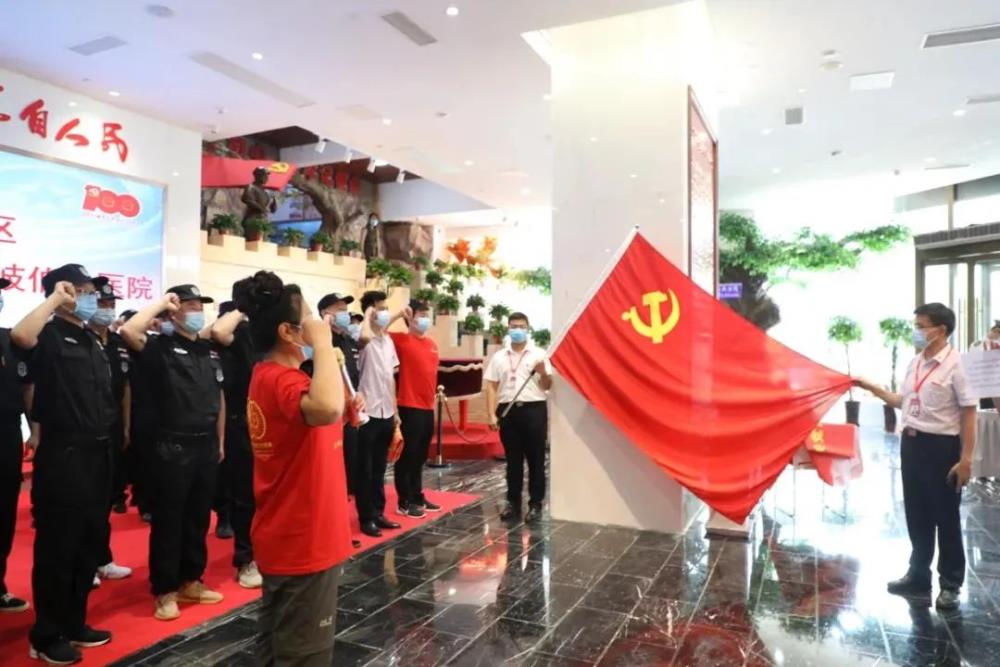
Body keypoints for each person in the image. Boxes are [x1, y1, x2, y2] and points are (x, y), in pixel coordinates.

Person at [242, 271, 352, 667]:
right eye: (309, 318)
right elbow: (325, 408)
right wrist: (323, 343)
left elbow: (323, 415)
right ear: (288, 332)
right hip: (304, 538)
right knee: (304, 654)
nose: (319, 323)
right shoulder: (282, 380)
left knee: (278, 647)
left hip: (290, 534)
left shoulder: (274, 377)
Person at [11, 264, 114, 663]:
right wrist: (55, 299)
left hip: (97, 454)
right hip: (64, 456)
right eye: (82, 290)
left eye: (89, 290)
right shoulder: (49, 334)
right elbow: (21, 336)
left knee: (87, 543)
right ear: (63, 292)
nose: (90, 297)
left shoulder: (91, 339)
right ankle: (46, 634)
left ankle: (74, 622)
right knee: (58, 547)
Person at [857, 302, 976, 611]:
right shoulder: (916, 363)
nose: (916, 331)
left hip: (942, 448)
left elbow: (969, 413)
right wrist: (872, 388)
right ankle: (919, 574)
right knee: (917, 513)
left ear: (941, 330)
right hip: (912, 445)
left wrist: (966, 459)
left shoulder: (957, 365)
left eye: (921, 326)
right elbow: (905, 401)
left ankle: (950, 583)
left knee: (946, 517)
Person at [121, 285, 226, 621]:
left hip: (205, 444)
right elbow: (128, 331)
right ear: (174, 312)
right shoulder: (158, 347)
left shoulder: (207, 350)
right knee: (169, 520)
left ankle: (191, 580)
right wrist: (161, 304)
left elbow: (218, 397)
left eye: (199, 306)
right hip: (171, 446)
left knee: (198, 518)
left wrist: (220, 440)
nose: (197, 311)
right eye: (190, 306)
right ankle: (165, 589)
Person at [210, 285, 263, 590]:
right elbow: (218, 331)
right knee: (245, 496)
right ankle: (246, 559)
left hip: (271, 422)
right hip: (241, 424)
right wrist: (243, 307)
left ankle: (267, 551)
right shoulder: (238, 332)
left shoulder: (268, 333)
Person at [485, 312, 553, 524]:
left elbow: (547, 386)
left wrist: (543, 373)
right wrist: (491, 414)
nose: (517, 330)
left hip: (534, 410)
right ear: (508, 328)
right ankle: (512, 503)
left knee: (536, 460)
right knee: (512, 461)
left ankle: (535, 504)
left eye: (521, 326)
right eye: (514, 326)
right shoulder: (499, 357)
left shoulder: (539, 355)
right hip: (508, 411)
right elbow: (491, 386)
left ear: (528, 328)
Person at [89, 278, 134, 583]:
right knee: (86, 498)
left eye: (110, 304)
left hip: (114, 425)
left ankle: (102, 558)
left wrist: (127, 425)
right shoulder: (82, 339)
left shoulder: (117, 343)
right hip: (88, 426)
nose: (107, 308)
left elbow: (126, 387)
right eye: (101, 303)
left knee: (106, 495)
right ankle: (85, 562)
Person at [386, 300, 441, 517]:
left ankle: (417, 495)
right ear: (411, 317)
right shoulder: (401, 340)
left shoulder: (432, 343)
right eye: (421, 315)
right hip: (408, 405)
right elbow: (377, 332)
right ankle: (404, 500)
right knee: (407, 455)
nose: (425, 319)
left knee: (420, 456)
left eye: (428, 314)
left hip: (427, 407)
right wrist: (399, 314)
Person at [355, 291, 402, 537]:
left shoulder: (387, 340)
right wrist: (366, 316)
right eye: (379, 308)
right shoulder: (361, 335)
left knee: (380, 467)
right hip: (367, 411)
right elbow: (364, 336)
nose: (384, 312)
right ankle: (366, 517)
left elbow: (390, 378)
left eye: (385, 308)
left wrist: (395, 410)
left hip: (385, 410)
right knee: (365, 468)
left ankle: (378, 511)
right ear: (370, 310)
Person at [0, 277, 30, 614]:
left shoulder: (9, 339)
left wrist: (34, 429)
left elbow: (26, 385)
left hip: (7, 433)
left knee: (4, 513)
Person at [317, 293, 363, 502]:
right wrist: (324, 327)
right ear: (325, 313)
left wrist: (357, 393)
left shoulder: (346, 340)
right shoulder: (320, 341)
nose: (345, 314)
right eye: (339, 310)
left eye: (346, 310)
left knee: (350, 459)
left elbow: (352, 374)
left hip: (349, 409)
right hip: (330, 411)